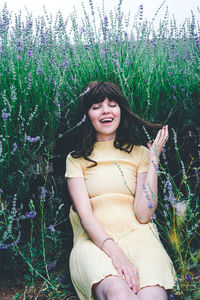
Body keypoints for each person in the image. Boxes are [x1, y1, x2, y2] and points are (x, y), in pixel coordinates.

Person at [65, 81, 176, 300]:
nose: (105, 110)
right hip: (94, 242)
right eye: (96, 107)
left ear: (120, 111)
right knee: (118, 293)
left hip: (139, 237)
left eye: (112, 104)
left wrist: (153, 159)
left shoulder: (139, 153)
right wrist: (117, 255)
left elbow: (143, 214)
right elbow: (85, 216)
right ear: (87, 115)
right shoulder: (76, 159)